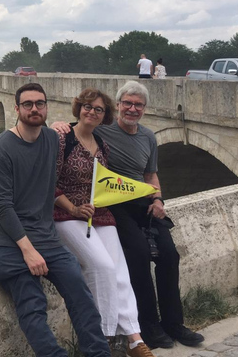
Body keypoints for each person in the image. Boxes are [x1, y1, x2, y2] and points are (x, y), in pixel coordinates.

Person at [54, 81, 203, 350]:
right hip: (114, 204)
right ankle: (147, 327)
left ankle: (174, 323)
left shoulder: (147, 137)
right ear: (119, 105)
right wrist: (57, 123)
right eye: (128, 103)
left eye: (138, 105)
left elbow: (150, 175)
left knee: (170, 255)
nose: (132, 109)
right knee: (137, 255)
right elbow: (80, 125)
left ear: (145, 109)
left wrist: (158, 198)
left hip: (142, 201)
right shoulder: (104, 131)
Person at [0, 83, 110, 357]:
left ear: (47, 107)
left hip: (44, 236)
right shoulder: (1, 149)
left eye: (40, 103)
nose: (34, 109)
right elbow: (1, 206)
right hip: (6, 240)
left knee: (80, 294)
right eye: (28, 104)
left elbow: (55, 179)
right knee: (32, 303)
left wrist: (73, 210)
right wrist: (28, 251)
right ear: (17, 109)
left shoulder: (52, 139)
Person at [53, 88, 154, 357]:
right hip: (66, 214)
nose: (92, 112)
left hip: (98, 212)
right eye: (88, 107)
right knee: (102, 267)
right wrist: (74, 208)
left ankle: (134, 338)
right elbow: (48, 183)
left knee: (120, 269)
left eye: (98, 109)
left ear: (104, 115)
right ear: (78, 108)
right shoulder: (61, 138)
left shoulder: (103, 145)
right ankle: (105, 338)